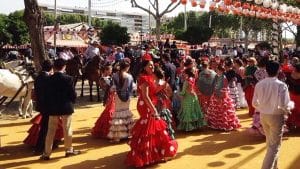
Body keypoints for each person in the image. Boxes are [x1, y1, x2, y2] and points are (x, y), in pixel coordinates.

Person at [126, 60, 178, 168]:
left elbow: (153, 93)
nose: (152, 66)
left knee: (152, 128)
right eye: (149, 65)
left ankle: (154, 154)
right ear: (144, 67)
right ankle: (148, 155)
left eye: (152, 65)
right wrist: (154, 109)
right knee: (149, 127)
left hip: (149, 104)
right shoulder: (145, 78)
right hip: (146, 105)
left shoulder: (150, 77)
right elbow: (145, 96)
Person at [252, 60, 293, 169]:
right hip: (276, 115)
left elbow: (254, 103)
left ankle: (275, 167)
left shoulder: (259, 84)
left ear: (266, 70)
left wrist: (263, 108)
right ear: (278, 70)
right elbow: (285, 104)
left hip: (264, 115)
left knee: (270, 143)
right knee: (274, 146)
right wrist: (287, 110)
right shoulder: (281, 85)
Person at [40, 58, 80, 160]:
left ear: (54, 67)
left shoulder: (48, 79)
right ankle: (68, 150)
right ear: (64, 66)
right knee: (67, 129)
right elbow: (72, 94)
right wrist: (72, 101)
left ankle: (46, 153)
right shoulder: (68, 78)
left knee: (50, 131)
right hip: (66, 106)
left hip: (53, 107)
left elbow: (46, 95)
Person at [24, 60, 63, 154]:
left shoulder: (38, 77)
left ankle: (46, 145)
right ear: (51, 68)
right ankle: (40, 148)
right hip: (49, 106)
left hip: (41, 105)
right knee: (46, 128)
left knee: (46, 127)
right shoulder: (48, 78)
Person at [206, 65, 241, 131]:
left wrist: (221, 95)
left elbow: (225, 87)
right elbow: (214, 85)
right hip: (216, 94)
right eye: (217, 70)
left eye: (218, 70)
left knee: (223, 110)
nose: (217, 71)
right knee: (217, 110)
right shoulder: (217, 77)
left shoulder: (224, 77)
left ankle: (225, 125)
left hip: (222, 95)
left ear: (221, 71)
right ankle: (218, 125)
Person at [107, 60, 134, 142]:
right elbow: (131, 88)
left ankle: (118, 135)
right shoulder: (129, 76)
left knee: (118, 113)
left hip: (118, 96)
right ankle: (128, 133)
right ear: (127, 67)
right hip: (127, 97)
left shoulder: (115, 75)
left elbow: (112, 87)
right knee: (126, 113)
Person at [286, 63, 300, 130]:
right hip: (296, 96)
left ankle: (292, 124)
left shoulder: (290, 75)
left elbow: (287, 84)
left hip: (292, 95)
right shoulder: (291, 75)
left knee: (293, 109)